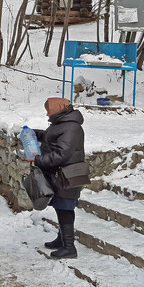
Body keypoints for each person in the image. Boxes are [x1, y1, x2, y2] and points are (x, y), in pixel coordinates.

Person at [33, 97, 86, 260]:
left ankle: (69, 247)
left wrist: (37, 160)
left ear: (58, 109)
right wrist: (36, 134)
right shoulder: (61, 123)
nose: (47, 113)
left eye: (49, 110)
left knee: (65, 209)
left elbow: (61, 154)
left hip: (67, 175)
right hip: (60, 174)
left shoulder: (71, 127)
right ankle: (62, 239)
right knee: (61, 207)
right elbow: (52, 138)